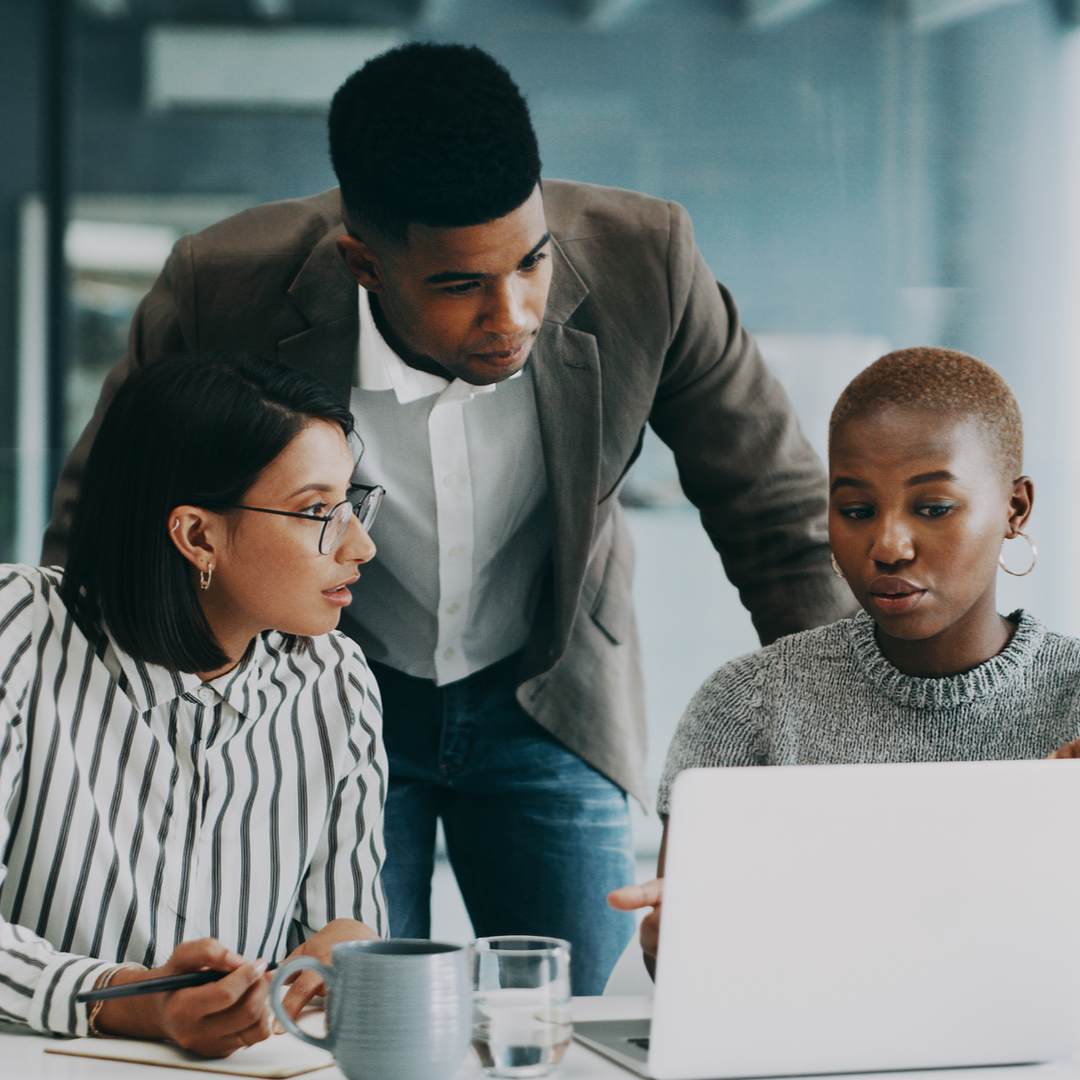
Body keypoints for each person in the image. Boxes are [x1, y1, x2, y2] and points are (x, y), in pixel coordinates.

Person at [42, 43, 851, 994]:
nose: (512, 315)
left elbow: (779, 515)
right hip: (319, 701)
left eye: (532, 262)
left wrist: (844, 749)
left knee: (571, 1016)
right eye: (461, 286)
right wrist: (112, 765)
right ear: (363, 265)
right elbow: (106, 524)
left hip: (549, 691)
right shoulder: (220, 287)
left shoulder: (649, 259)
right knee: (346, 1015)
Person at [609, 346, 1080, 971]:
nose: (887, 546)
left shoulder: (1073, 696)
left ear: (1015, 510)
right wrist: (675, 943)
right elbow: (676, 961)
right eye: (856, 511)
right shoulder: (748, 703)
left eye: (933, 508)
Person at [2, 354, 387, 1055]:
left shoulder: (338, 680)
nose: (360, 544)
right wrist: (126, 1003)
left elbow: (347, 924)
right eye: (314, 512)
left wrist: (349, 949)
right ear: (196, 536)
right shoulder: (16, 630)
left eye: (350, 503)